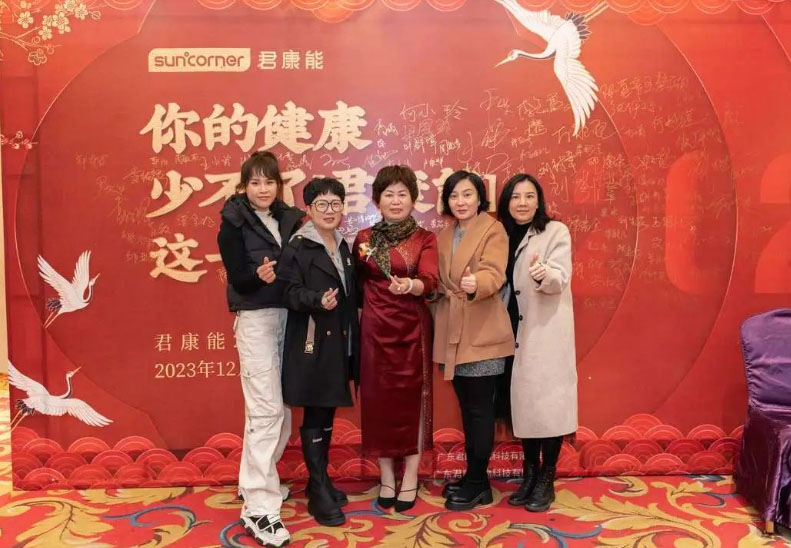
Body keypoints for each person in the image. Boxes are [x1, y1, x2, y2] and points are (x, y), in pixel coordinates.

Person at [217, 151, 304, 547]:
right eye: (255, 182)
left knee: (279, 410)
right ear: (244, 186)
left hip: (289, 317)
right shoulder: (232, 223)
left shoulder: (289, 219)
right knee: (266, 411)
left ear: (279, 185)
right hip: (255, 319)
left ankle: (255, 481)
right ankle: (258, 507)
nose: (263, 188)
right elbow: (238, 277)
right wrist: (258, 276)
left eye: (269, 181)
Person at [353, 165, 439, 513]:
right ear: (378, 200)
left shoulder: (425, 238)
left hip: (412, 330)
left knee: (413, 402)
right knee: (378, 404)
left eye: (403, 193)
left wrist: (412, 285)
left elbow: (430, 279)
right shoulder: (364, 239)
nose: (396, 200)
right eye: (389, 194)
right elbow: (357, 285)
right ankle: (387, 476)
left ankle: (411, 477)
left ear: (413, 199)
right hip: (374, 330)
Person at [432, 170, 514, 510]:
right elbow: (437, 279)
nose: (460, 201)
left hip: (482, 333)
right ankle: (473, 476)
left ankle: (480, 484)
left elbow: (494, 273)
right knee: (467, 408)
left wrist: (476, 283)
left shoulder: (493, 229)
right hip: (452, 330)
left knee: (480, 410)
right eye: (454, 196)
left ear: (480, 197)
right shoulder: (444, 235)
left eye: (467, 194)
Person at [279, 177, 359, 527]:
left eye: (335, 204)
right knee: (316, 409)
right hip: (311, 340)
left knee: (326, 409)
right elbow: (286, 291)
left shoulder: (341, 244)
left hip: (338, 339)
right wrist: (316, 299)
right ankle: (319, 490)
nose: (330, 211)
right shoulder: (298, 246)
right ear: (308, 209)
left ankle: (318, 481)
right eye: (322, 204)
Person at [497, 173, 577, 513]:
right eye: (516, 197)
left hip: (544, 331)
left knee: (550, 405)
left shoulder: (555, 231)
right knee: (526, 404)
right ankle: (529, 473)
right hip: (511, 330)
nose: (522, 203)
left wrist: (546, 274)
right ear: (506, 202)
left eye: (529, 196)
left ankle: (547, 477)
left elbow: (560, 276)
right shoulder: (501, 234)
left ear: (539, 201)